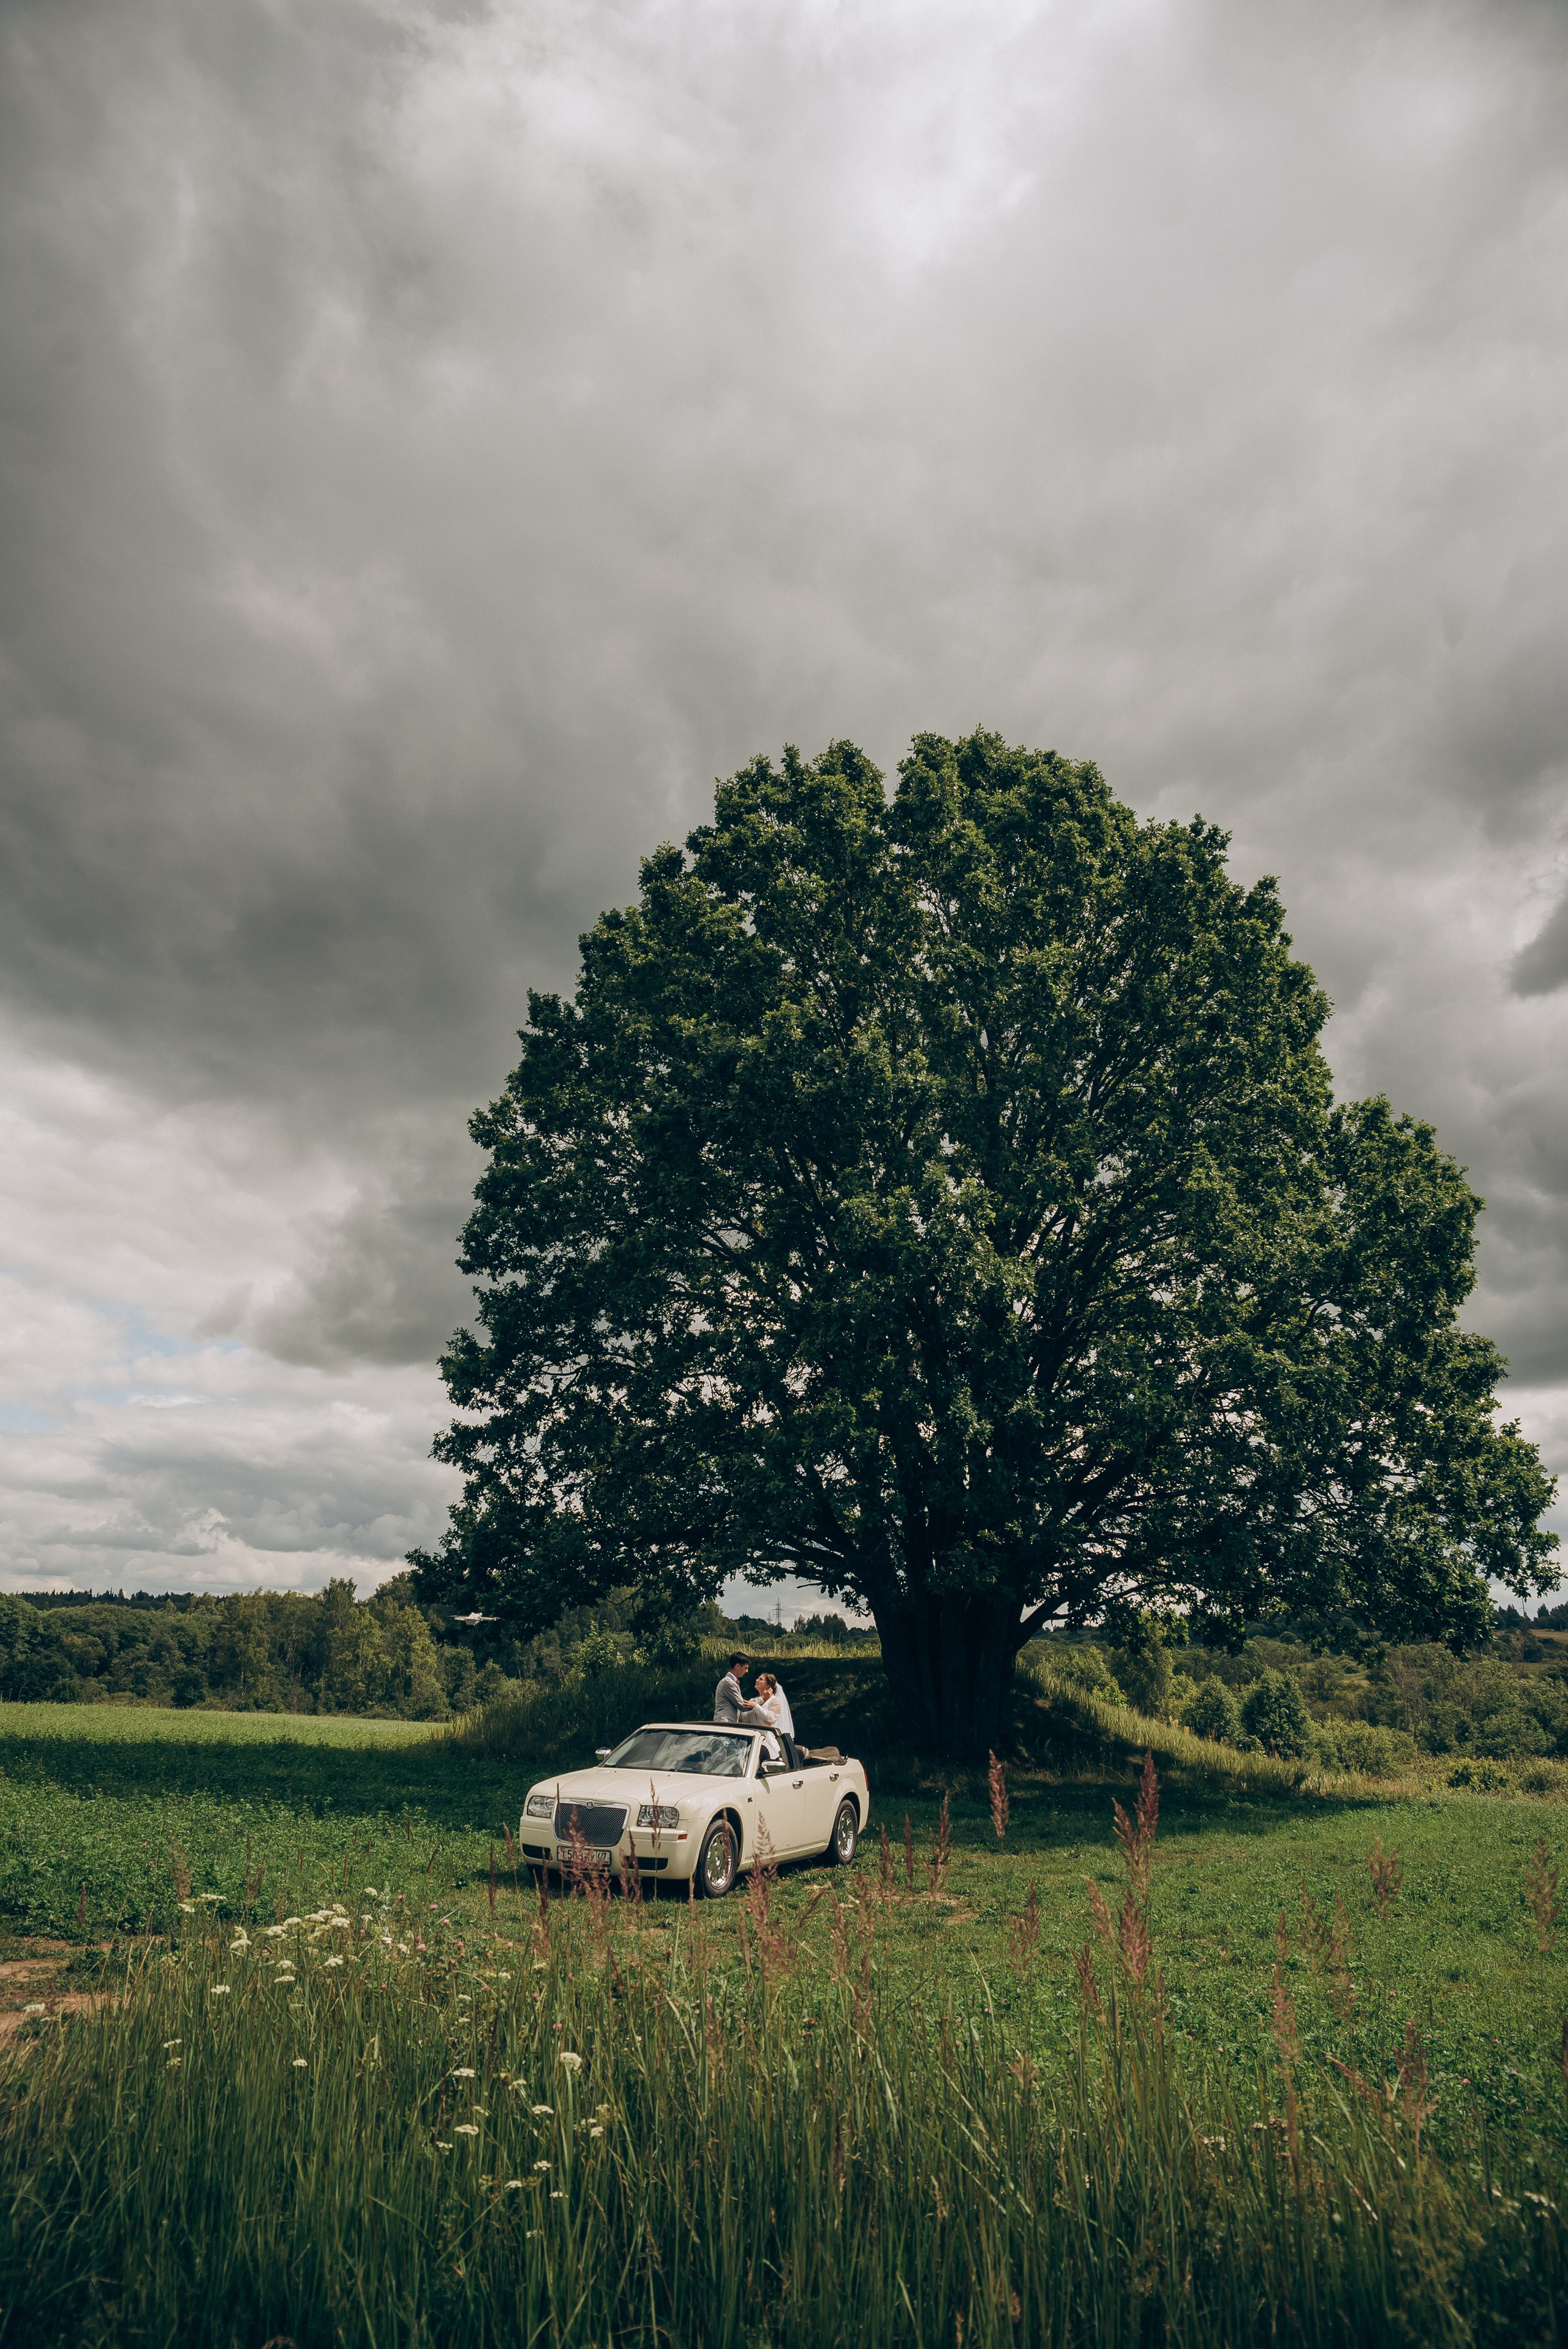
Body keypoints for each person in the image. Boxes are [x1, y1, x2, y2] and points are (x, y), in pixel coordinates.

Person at [752, 1670, 800, 1768]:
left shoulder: (775, 1701)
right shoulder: (756, 1700)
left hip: (767, 1741)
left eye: (761, 1679)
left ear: (768, 1686)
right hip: (754, 1741)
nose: (757, 1680)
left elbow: (770, 1719)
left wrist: (756, 1707)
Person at [713, 1652, 752, 1724]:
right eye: (745, 1668)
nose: (747, 1671)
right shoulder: (728, 1682)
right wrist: (761, 1700)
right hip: (724, 1723)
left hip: (729, 1722)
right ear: (737, 1666)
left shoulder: (732, 1681)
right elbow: (743, 1706)